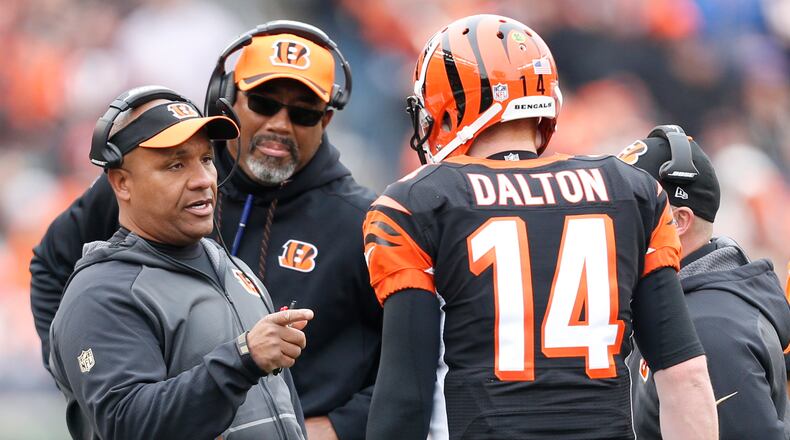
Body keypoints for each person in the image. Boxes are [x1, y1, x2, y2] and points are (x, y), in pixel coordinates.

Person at [363, 14, 717, 439]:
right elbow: (684, 375)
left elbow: (406, 396)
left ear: (449, 108)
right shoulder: (632, 191)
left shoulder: (416, 203)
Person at [31, 21, 380, 440]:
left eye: (303, 113)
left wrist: (338, 427)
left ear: (325, 120)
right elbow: (52, 266)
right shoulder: (139, 188)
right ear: (228, 99)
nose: (280, 124)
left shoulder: (359, 222)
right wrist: (87, 372)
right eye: (264, 103)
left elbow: (414, 365)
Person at [49, 86, 313, 439]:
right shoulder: (101, 293)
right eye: (175, 165)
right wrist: (243, 358)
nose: (203, 180)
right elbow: (127, 425)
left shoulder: (237, 271)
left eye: (206, 159)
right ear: (122, 183)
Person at [619, 126, 790, 439]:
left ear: (679, 221)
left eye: (627, 208)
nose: (610, 222)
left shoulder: (710, 330)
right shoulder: (673, 305)